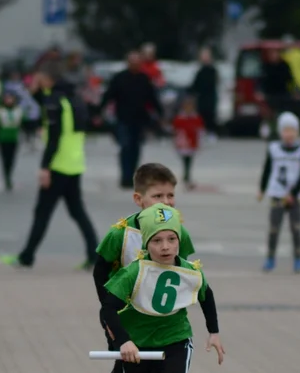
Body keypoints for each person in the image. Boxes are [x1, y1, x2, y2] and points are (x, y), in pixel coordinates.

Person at [101, 203, 225, 373]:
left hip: (175, 341)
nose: (166, 247)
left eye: (172, 239)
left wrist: (213, 332)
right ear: (146, 244)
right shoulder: (135, 272)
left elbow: (206, 295)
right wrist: (124, 341)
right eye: (157, 240)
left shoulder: (190, 270)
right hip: (138, 346)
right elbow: (107, 308)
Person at [92, 163, 196, 373]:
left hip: (161, 320)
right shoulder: (121, 233)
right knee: (125, 368)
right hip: (126, 318)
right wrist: (108, 309)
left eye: (171, 195)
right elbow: (100, 271)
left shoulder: (177, 231)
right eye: (157, 196)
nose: (166, 202)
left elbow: (182, 272)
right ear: (139, 199)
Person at [13, 65, 99, 269]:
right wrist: (35, 92)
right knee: (77, 212)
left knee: (42, 212)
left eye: (37, 78)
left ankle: (26, 257)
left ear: (45, 78)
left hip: (58, 165)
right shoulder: (73, 98)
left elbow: (54, 137)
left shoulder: (54, 102)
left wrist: (45, 167)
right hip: (75, 163)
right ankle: (95, 255)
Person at [100, 52, 162, 189]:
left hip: (139, 119)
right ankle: (125, 176)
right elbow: (109, 95)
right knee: (125, 147)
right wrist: (99, 110)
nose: (135, 65)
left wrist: (160, 113)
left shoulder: (144, 79)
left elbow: (152, 98)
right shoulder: (119, 78)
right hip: (123, 118)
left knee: (135, 148)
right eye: (132, 62)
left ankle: (133, 176)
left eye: (137, 62)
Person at [259, 112, 300, 273]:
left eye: (292, 130)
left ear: (297, 132)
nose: (289, 134)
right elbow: (267, 170)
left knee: (296, 229)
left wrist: (293, 194)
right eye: (286, 130)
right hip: (277, 193)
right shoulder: (273, 149)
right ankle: (270, 257)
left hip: (294, 197)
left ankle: (299, 259)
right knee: (274, 228)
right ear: (281, 132)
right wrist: (262, 189)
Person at [258, 47, 295, 139]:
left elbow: (290, 79)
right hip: (270, 94)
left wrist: (292, 91)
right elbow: (261, 80)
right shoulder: (266, 66)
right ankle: (273, 132)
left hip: (282, 94)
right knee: (271, 115)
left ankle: (282, 132)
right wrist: (260, 91)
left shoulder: (284, 66)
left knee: (281, 114)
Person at [0, 90, 23, 191]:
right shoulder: (0, 111)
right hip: (3, 138)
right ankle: (6, 177)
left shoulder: (18, 110)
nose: (9, 100)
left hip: (14, 138)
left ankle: (9, 175)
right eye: (7, 98)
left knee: (12, 159)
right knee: (4, 159)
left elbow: (24, 123)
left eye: (11, 98)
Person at [172, 95, 204, 189]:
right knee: (185, 157)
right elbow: (175, 130)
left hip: (192, 141)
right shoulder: (179, 118)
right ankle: (186, 173)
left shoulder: (196, 118)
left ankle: (187, 173)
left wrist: (200, 141)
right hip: (183, 141)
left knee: (190, 158)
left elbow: (200, 130)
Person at [189, 47, 219, 135]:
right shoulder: (200, 71)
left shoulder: (213, 71)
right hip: (202, 97)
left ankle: (211, 131)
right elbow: (195, 85)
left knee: (210, 114)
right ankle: (203, 131)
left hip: (210, 97)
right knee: (201, 114)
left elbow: (212, 83)